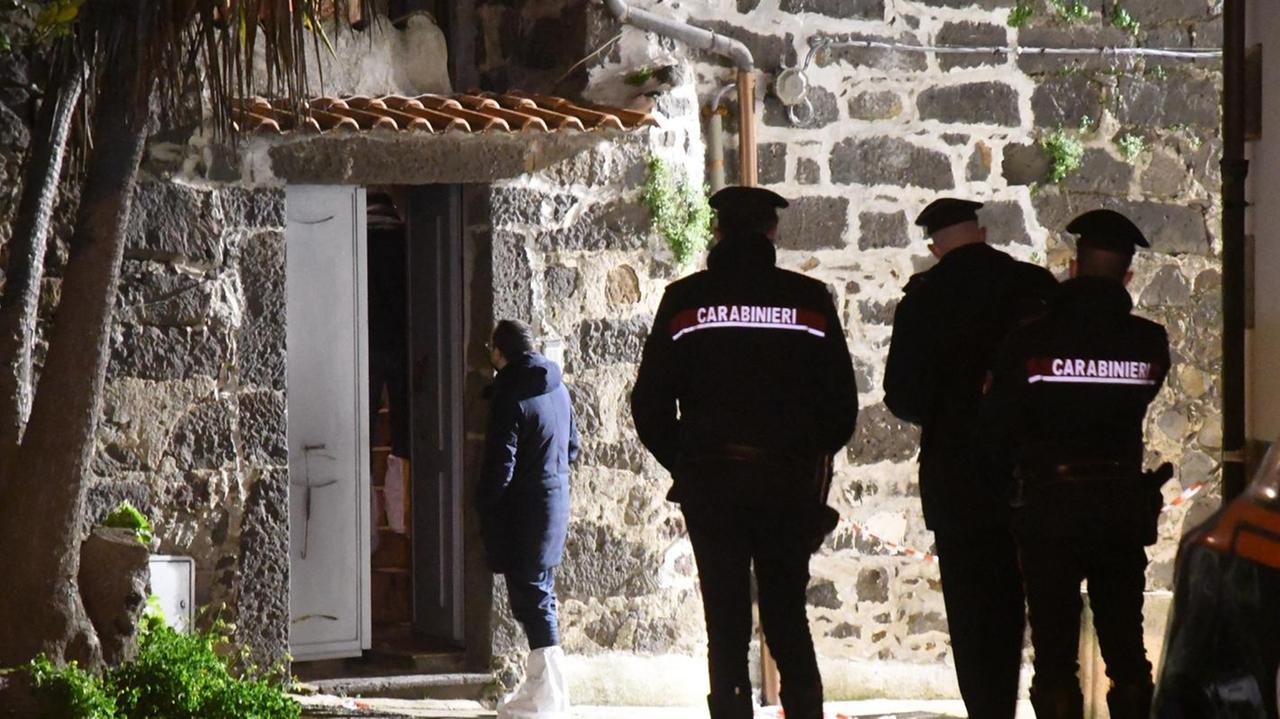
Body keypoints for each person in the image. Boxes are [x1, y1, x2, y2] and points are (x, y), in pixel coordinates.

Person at [631, 186, 859, 719]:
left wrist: (688, 460)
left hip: (712, 485)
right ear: (771, 232)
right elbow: (841, 409)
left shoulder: (684, 301)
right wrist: (805, 459)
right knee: (787, 614)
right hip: (787, 486)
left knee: (725, 620)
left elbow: (649, 403)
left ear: (717, 232)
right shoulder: (809, 300)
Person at [984, 210, 1172, 719]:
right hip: (1120, 508)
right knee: (1126, 649)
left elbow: (999, 421)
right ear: (1127, 276)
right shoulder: (1148, 342)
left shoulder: (1030, 341)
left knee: (1054, 653)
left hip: (1050, 508)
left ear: (1073, 267)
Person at [883, 198, 1058, 719]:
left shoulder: (924, 298)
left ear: (935, 246)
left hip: (956, 476)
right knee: (1042, 602)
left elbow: (902, 396)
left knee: (971, 610)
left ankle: (988, 709)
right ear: (981, 233)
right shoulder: (1034, 286)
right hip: (1030, 472)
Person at [476, 320, 579, 719]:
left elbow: (501, 466)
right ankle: (546, 692)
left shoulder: (511, 395)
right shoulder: (557, 387)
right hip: (554, 502)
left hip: (523, 512)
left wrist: (483, 503)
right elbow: (572, 447)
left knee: (532, 599)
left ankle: (547, 698)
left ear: (499, 352)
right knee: (540, 593)